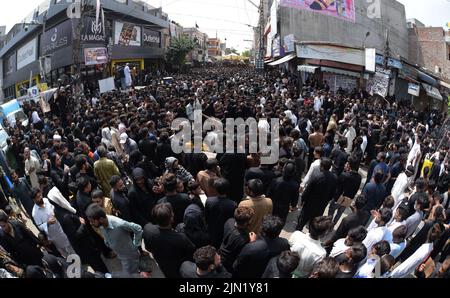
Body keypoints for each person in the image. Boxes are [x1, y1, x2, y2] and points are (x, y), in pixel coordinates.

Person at [86, 203, 143, 277]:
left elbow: (138, 229)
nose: (91, 223)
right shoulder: (101, 225)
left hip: (129, 257)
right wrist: (108, 243)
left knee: (130, 275)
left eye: (92, 221)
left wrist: (135, 246)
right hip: (121, 255)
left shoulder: (118, 224)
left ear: (101, 219)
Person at [143, 203, 195, 278]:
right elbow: (192, 251)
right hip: (178, 267)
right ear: (171, 218)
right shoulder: (181, 238)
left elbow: (148, 248)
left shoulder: (147, 229)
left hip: (162, 264)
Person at [31, 188, 74, 259]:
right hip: (53, 235)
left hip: (60, 227)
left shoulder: (46, 200)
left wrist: (54, 213)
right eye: (38, 197)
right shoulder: (35, 213)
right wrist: (47, 223)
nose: (40, 198)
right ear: (34, 200)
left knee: (69, 245)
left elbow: (54, 207)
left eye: (40, 195)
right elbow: (39, 226)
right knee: (62, 250)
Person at [296, 158, 337, 231]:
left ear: (321, 166)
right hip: (321, 206)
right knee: (314, 224)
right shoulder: (334, 178)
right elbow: (332, 194)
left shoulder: (316, 176)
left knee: (302, 221)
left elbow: (307, 191)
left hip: (309, 204)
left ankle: (297, 232)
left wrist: (302, 200)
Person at [219, 207, 254, 273]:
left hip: (221, 252)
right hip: (230, 261)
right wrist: (252, 242)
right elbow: (244, 254)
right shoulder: (244, 238)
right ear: (247, 222)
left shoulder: (229, 221)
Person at [328, 157, 362, 224]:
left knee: (331, 210)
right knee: (339, 213)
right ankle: (333, 224)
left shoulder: (344, 175)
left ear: (349, 165)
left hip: (338, 198)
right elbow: (356, 189)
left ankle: (328, 223)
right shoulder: (359, 177)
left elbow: (337, 187)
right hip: (348, 199)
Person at [205, 178, 237, 248]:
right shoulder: (233, 204)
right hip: (226, 231)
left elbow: (206, 217)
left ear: (216, 190)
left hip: (212, 230)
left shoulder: (209, 201)